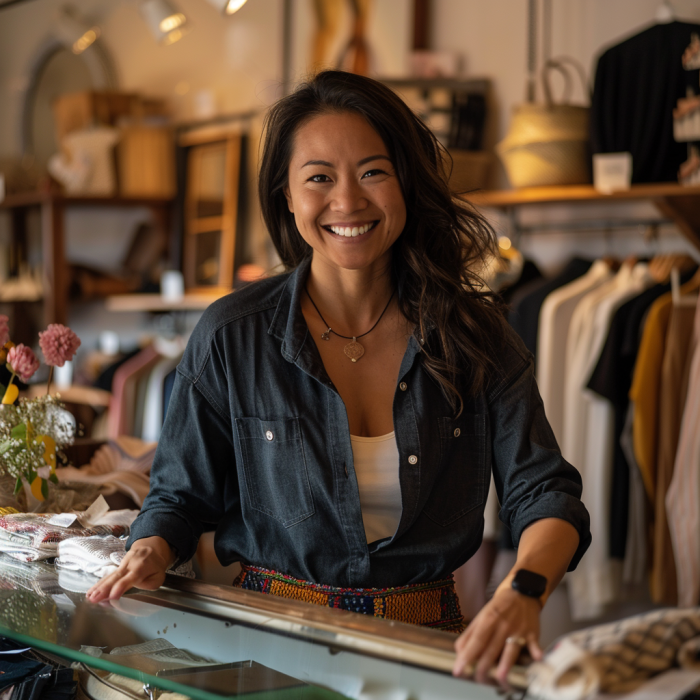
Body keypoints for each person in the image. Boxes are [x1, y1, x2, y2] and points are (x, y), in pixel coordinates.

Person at [87, 70, 591, 686]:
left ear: (406, 181)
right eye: (319, 177)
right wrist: (151, 549)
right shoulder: (231, 336)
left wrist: (525, 591)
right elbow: (179, 498)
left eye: (373, 171)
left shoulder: (473, 335)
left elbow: (545, 493)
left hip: (427, 656)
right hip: (265, 651)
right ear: (287, 196)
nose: (348, 201)